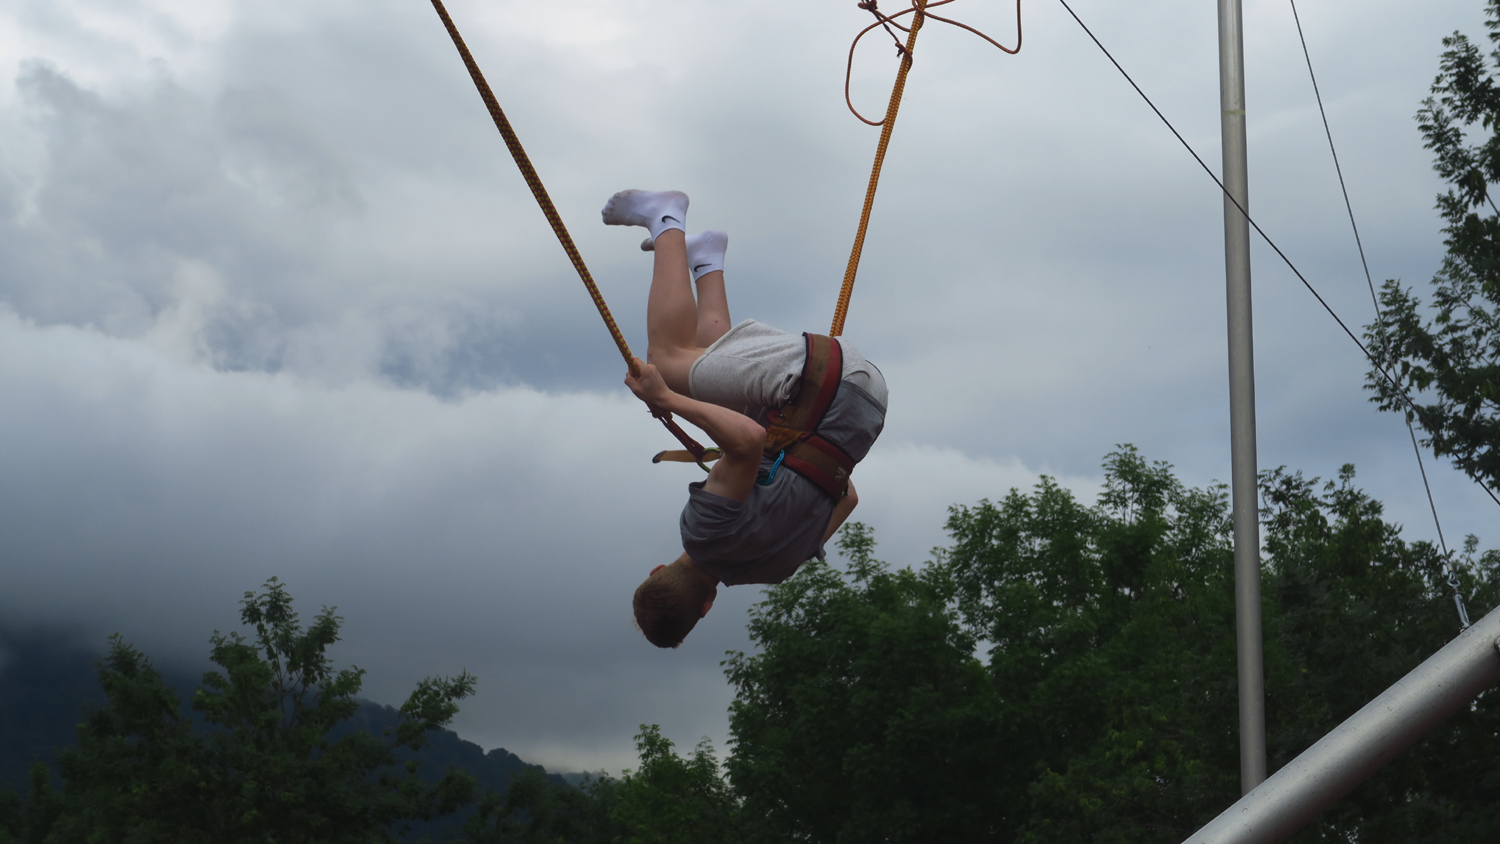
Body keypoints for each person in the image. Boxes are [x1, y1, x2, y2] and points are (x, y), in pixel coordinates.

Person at [603, 189, 888, 648]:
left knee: (705, 375)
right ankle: (666, 216)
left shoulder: (777, 569)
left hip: (867, 401)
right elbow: (749, 439)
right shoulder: (703, 534)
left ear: (706, 606)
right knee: (669, 362)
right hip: (821, 384)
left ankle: (705, 260)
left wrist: (786, 467)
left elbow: (847, 495)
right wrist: (664, 399)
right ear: (656, 571)